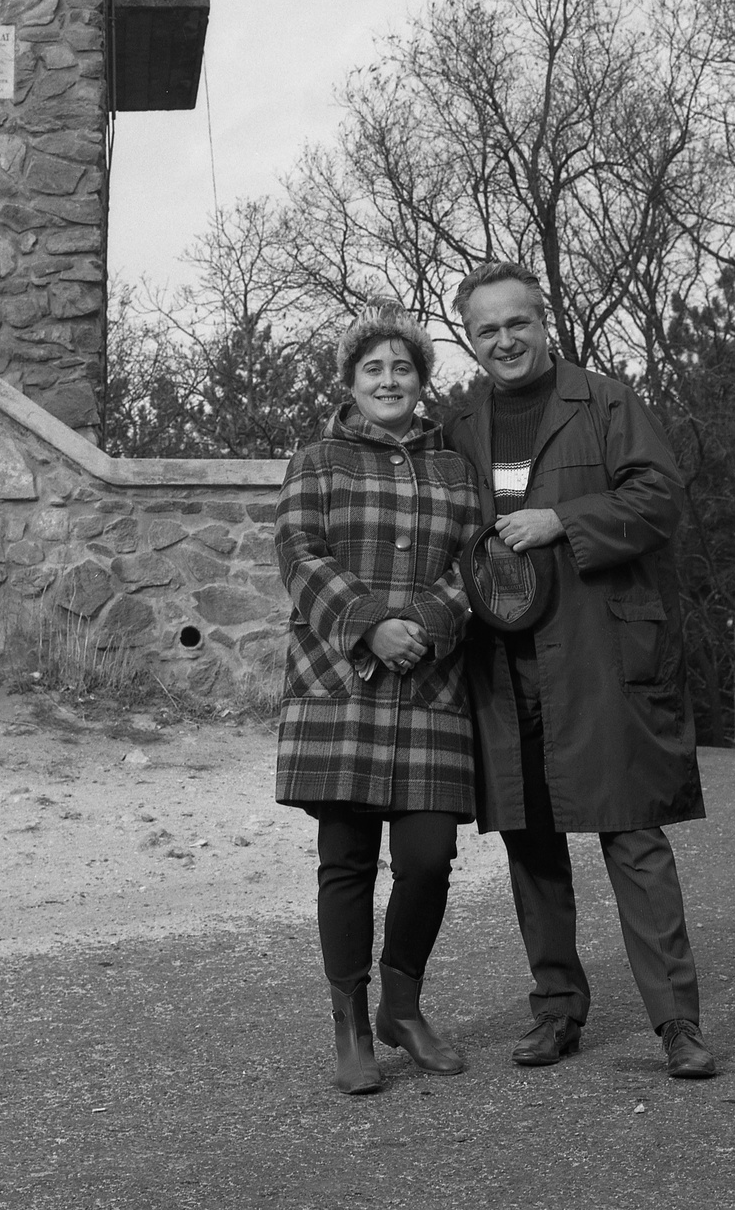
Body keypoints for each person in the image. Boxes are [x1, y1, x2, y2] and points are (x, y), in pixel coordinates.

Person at [445, 262, 716, 1080]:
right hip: (503, 659)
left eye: (516, 323)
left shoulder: (605, 403)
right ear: (469, 338)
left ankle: (678, 1024)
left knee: (632, 833)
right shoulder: (460, 426)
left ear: (543, 320)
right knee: (530, 838)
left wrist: (561, 519)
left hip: (600, 649)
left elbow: (660, 498)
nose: (504, 340)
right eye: (486, 329)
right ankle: (557, 1009)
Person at [275, 305, 483, 1094]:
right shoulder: (318, 459)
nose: (389, 380)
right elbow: (297, 550)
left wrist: (426, 623)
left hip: (432, 682)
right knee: (348, 859)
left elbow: (479, 565)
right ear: (350, 382)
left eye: (402, 368)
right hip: (342, 685)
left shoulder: (457, 470)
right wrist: (368, 625)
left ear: (422, 381)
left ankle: (403, 1006)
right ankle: (351, 1024)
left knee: (428, 857)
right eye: (374, 369)